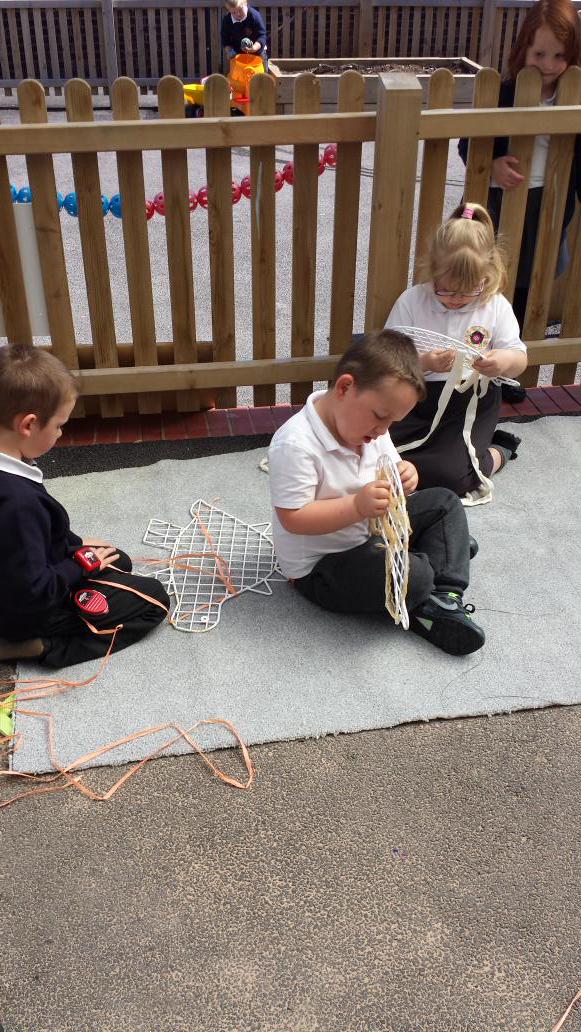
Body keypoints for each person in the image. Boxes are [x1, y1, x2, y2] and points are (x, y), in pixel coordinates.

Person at [268, 331, 486, 657]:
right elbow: (294, 518)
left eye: (392, 422)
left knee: (445, 502)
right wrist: (357, 506)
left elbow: (391, 472)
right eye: (381, 417)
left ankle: (447, 597)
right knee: (419, 574)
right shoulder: (296, 444)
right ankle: (431, 581)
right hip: (323, 568)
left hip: (372, 530)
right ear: (344, 388)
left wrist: (406, 476)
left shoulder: (370, 429)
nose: (383, 432)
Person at [0, 343, 170, 669]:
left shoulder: (13, 471)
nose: (61, 433)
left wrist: (69, 545)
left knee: (120, 561)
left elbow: (23, 545)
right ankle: (34, 646)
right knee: (153, 599)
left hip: (19, 576)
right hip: (24, 611)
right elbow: (33, 591)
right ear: (28, 425)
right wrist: (80, 563)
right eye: (59, 426)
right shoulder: (18, 504)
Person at [386, 202, 528, 504]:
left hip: (469, 402)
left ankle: (499, 449)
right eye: (446, 291)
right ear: (432, 272)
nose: (455, 300)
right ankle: (436, 457)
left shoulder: (494, 305)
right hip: (417, 396)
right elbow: (386, 358)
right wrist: (421, 363)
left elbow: (519, 358)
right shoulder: (413, 300)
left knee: (454, 477)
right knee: (372, 446)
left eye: (467, 293)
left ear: (487, 276)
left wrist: (501, 362)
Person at [458, 0, 581, 330]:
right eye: (539, 54)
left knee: (532, 276)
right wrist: (493, 162)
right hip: (496, 201)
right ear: (523, 48)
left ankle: (515, 346)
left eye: (560, 56)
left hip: (548, 202)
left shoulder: (573, 98)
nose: (549, 65)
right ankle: (474, 342)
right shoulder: (503, 92)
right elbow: (467, 143)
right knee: (482, 274)